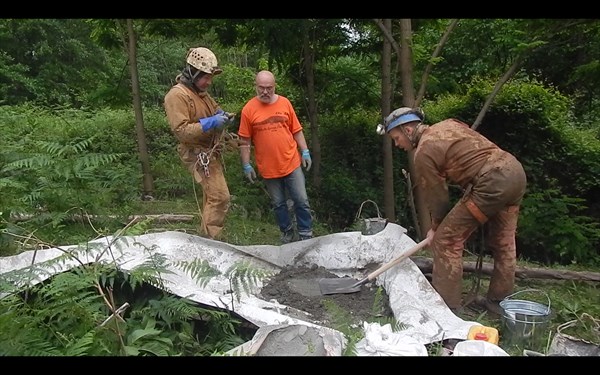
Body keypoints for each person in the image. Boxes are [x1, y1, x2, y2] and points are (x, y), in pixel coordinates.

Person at [378, 107, 527, 315]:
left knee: (446, 241)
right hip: (515, 173)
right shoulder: (449, 124)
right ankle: (498, 303)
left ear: (408, 130)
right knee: (504, 243)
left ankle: (446, 311)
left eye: (396, 138)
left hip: (492, 181)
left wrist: (435, 227)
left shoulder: (423, 152)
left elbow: (438, 197)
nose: (397, 144)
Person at [164, 47, 233, 241]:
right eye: (205, 77)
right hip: (196, 153)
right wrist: (210, 123)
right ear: (192, 73)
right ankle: (212, 241)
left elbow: (215, 110)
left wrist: (223, 116)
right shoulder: (177, 96)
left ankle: (204, 240)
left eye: (211, 77)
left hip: (209, 152)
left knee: (212, 198)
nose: (209, 82)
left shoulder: (201, 93)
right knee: (220, 197)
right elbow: (182, 131)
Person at [238, 70, 313, 244]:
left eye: (269, 88)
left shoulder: (285, 103)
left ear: (274, 87)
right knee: (279, 204)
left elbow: (297, 130)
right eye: (261, 88)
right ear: (256, 87)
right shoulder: (249, 109)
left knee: (301, 199)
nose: (265, 92)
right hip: (268, 167)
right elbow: (244, 140)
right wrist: (246, 164)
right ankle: (286, 232)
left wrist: (305, 151)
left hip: (291, 161)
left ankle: (306, 233)